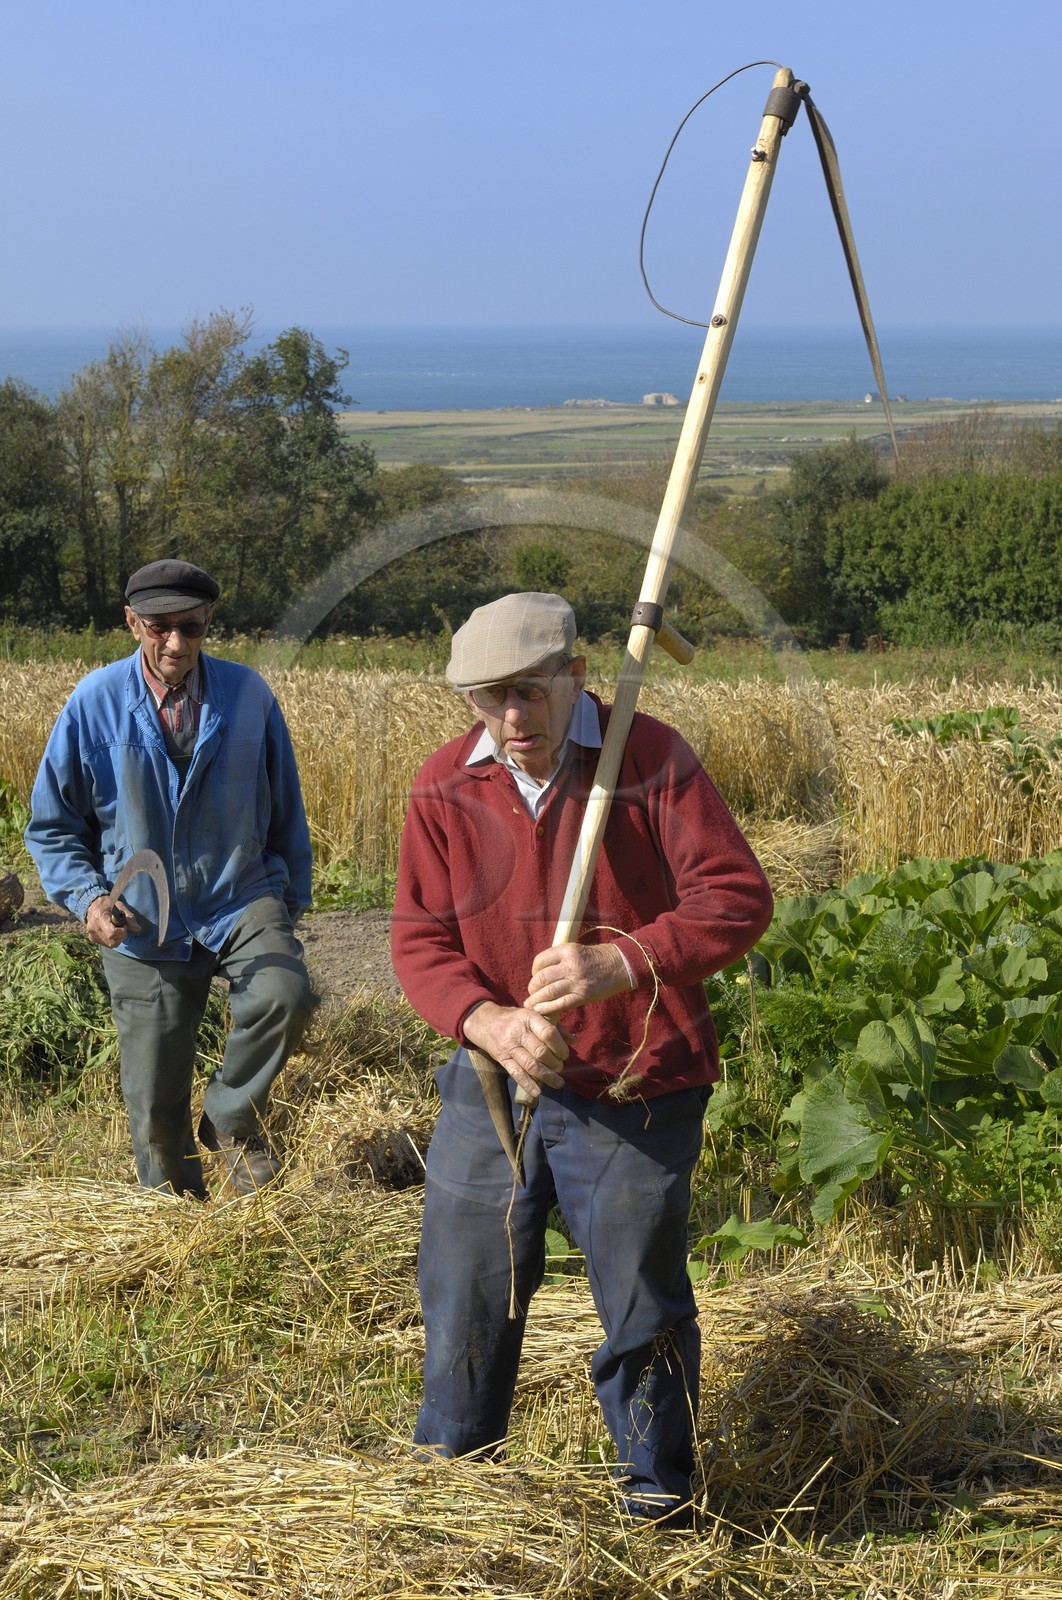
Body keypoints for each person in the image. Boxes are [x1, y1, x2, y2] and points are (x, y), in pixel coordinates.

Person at [390, 591, 774, 1527]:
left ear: (576, 674)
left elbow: (735, 898)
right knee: (465, 1290)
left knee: (642, 1303)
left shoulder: (650, 758)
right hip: (493, 1085)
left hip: (634, 1082)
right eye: (488, 699)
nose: (512, 718)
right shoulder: (446, 783)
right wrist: (485, 1020)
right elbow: (418, 939)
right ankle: (454, 1489)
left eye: (529, 691)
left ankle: (657, 1498)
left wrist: (622, 961)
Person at [26, 559, 315, 1199]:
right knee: (155, 1105)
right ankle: (176, 1217)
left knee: (286, 994)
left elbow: (286, 808)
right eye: (160, 628)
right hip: (140, 914)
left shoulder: (248, 696)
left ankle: (232, 1115)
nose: (176, 645)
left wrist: (288, 904)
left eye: (191, 628)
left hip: (239, 893)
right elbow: (51, 827)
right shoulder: (93, 702)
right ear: (132, 623)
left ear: (209, 621)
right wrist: (87, 899)